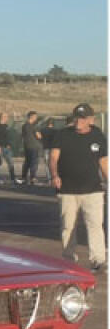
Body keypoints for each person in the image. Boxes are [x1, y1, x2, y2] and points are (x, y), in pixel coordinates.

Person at [50, 104, 107, 270]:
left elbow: (103, 161)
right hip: (67, 190)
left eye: (82, 118)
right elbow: (53, 157)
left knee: (95, 225)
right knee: (68, 226)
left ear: (91, 119)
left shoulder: (98, 135)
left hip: (93, 190)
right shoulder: (62, 135)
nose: (78, 121)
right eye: (76, 117)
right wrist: (54, 175)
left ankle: (98, 260)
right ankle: (69, 259)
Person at [0, 112, 15, 185]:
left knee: (11, 163)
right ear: (1, 117)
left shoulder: (6, 126)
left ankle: (13, 179)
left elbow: (7, 136)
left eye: (7, 116)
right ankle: (0, 179)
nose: (7, 118)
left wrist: (8, 145)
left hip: (7, 148)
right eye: (5, 116)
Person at [21, 111, 44, 185]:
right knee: (34, 162)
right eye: (35, 117)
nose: (36, 118)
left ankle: (24, 177)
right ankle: (33, 178)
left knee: (27, 162)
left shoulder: (24, 126)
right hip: (34, 146)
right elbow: (39, 136)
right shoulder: (34, 126)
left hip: (27, 146)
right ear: (32, 117)